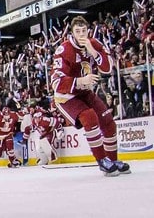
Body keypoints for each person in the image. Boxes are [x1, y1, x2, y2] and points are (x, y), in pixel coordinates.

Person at [51, 16, 128, 176]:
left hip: (85, 92)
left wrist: (93, 52)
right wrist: (80, 81)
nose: (81, 34)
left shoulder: (94, 44)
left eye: (84, 31)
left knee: (108, 122)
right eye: (77, 31)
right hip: (66, 96)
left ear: (88, 31)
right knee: (89, 117)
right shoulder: (64, 50)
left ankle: (112, 160)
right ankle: (101, 161)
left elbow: (107, 69)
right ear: (71, 33)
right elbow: (55, 81)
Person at [0, 100, 21, 167]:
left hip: (8, 134)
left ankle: (13, 161)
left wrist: (19, 109)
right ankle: (0, 154)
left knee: (10, 146)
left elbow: (21, 117)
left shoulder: (13, 115)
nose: (7, 117)